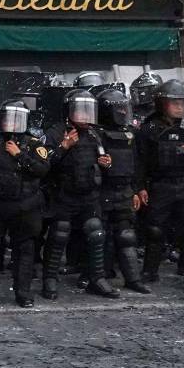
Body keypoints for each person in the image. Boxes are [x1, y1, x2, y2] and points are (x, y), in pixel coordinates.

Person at [0, 99, 50, 308]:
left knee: (24, 249)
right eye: (7, 119)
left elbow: (42, 170)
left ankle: (23, 292)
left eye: (16, 119)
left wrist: (19, 155)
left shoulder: (34, 145)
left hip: (24, 207)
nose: (10, 124)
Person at [41, 90, 119, 299]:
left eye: (88, 110)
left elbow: (104, 161)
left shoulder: (95, 134)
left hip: (89, 195)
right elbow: (43, 163)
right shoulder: (56, 132)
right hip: (64, 194)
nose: (85, 116)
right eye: (80, 111)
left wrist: (106, 164)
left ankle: (97, 278)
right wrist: (64, 146)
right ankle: (49, 278)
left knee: (96, 233)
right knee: (59, 234)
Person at [135, 79, 184, 293]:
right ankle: (150, 271)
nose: (179, 106)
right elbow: (139, 161)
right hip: (161, 185)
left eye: (182, 102)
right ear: (161, 104)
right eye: (174, 102)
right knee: (155, 230)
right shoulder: (148, 129)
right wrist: (140, 187)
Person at [94, 88, 151, 293]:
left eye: (123, 109)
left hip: (124, 190)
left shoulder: (130, 134)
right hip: (102, 191)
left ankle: (133, 279)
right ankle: (96, 277)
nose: (122, 113)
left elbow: (136, 164)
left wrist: (136, 189)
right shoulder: (95, 134)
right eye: (118, 109)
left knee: (126, 235)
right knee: (99, 235)